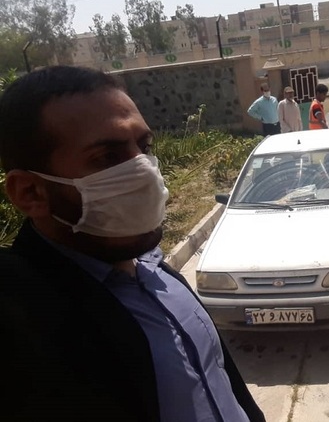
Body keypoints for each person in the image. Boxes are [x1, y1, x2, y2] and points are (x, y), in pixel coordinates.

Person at [0, 66, 265, 422]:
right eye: (107, 157)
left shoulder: (158, 273)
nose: (145, 171)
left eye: (144, 147)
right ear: (30, 192)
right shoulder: (26, 317)